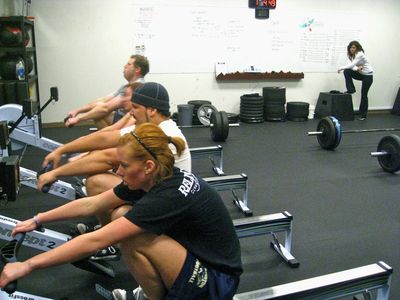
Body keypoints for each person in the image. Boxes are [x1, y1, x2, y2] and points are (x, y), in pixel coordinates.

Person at [0, 123, 242, 300]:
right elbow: (91, 204)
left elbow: (97, 239)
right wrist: (37, 219)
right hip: (197, 258)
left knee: (128, 232)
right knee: (119, 216)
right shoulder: (153, 178)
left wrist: (28, 265)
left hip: (217, 283)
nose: (118, 172)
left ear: (148, 166)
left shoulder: (167, 194)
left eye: (124, 166)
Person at [64, 55, 149, 128]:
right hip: (121, 117)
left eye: (129, 64)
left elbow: (105, 108)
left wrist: (78, 119)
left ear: (137, 69)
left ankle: (111, 140)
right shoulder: (126, 86)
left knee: (99, 113)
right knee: (98, 106)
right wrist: (77, 111)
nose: (124, 66)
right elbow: (104, 100)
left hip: (128, 122)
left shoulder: (135, 87)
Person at [337, 41, 373, 121]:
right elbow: (352, 66)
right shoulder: (351, 56)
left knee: (364, 94)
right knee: (347, 71)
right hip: (361, 74)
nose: (351, 49)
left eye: (353, 47)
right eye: (350, 47)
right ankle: (351, 89)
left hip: (368, 76)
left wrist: (340, 68)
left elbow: (351, 65)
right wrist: (357, 68)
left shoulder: (360, 54)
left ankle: (363, 114)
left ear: (357, 48)